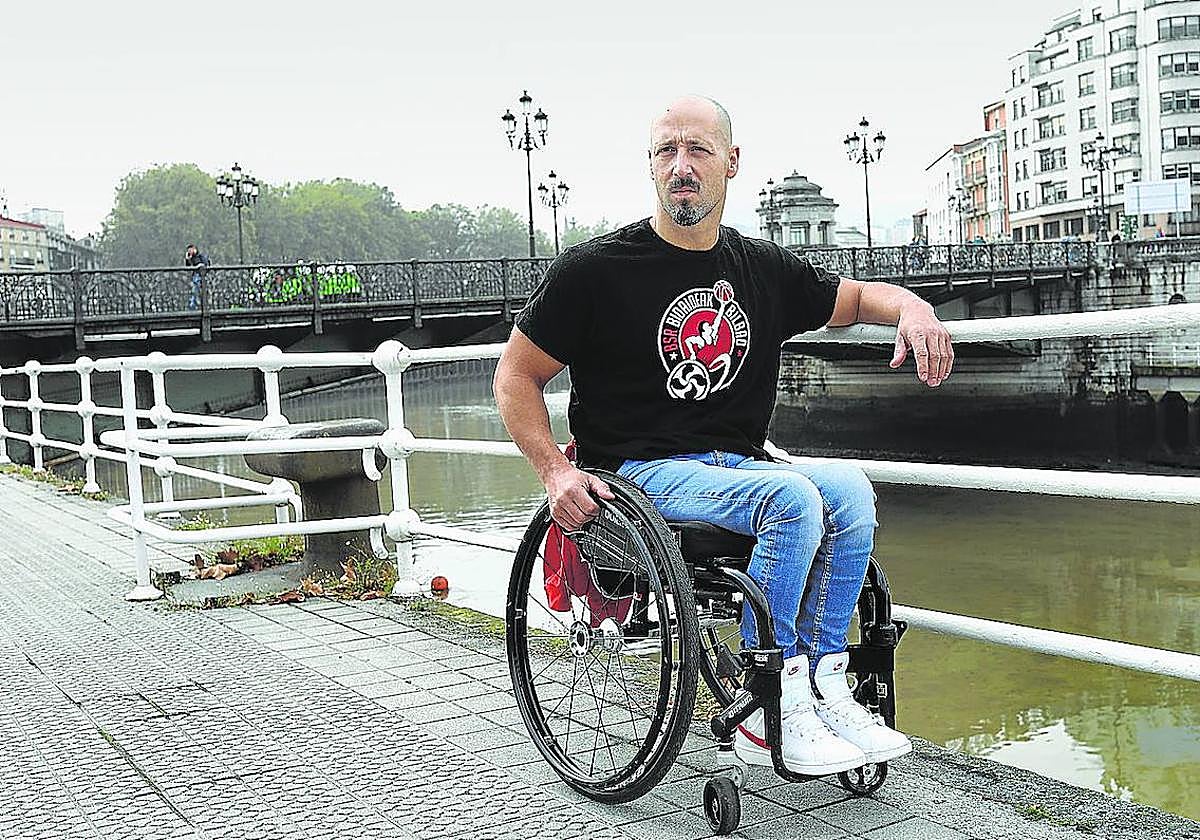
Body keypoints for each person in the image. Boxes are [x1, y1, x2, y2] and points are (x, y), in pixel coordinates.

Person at [493, 95, 954, 776]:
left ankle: (823, 681)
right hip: (636, 472)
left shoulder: (760, 267)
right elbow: (514, 379)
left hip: (733, 464)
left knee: (850, 492)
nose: (682, 166)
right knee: (792, 499)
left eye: (699, 150)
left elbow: (853, 300)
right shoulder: (594, 271)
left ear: (731, 163)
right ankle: (768, 701)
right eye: (666, 151)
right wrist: (555, 473)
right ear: (650, 166)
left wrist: (913, 307)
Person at [185, 244, 210, 310]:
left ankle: (195, 306)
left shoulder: (200, 256)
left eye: (190, 250)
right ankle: (193, 306)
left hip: (201, 276)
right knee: (194, 291)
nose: (189, 252)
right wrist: (188, 259)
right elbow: (188, 267)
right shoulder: (191, 257)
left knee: (198, 291)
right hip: (195, 276)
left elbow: (206, 264)